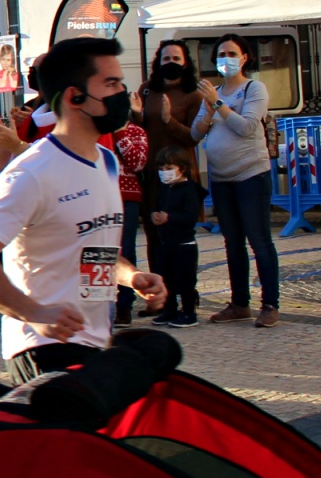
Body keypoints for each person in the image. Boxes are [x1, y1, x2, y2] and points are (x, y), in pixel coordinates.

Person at [0, 37, 168, 384]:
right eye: (110, 84)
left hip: (93, 342)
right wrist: (33, 313)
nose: (122, 94)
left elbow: (93, 253)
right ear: (73, 97)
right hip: (45, 348)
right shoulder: (32, 172)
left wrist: (132, 277)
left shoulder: (107, 162)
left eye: (121, 84)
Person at [193, 33, 279, 326]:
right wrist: (207, 111)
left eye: (232, 53)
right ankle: (239, 303)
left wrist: (218, 104)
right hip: (222, 178)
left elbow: (247, 127)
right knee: (232, 242)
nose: (225, 59)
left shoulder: (254, 89)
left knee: (259, 239)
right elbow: (195, 134)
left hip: (251, 175)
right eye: (220, 54)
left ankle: (270, 304)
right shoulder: (212, 93)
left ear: (244, 58)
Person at [139, 40, 201, 278]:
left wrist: (169, 120)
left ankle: (183, 292)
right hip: (151, 171)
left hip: (178, 175)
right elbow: (137, 130)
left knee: (177, 231)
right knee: (153, 232)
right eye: (166, 59)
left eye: (176, 59)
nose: (171, 63)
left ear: (185, 64)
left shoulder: (192, 95)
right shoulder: (147, 90)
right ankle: (160, 291)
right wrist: (135, 115)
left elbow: (194, 136)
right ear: (158, 62)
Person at [149, 148, 202, 327]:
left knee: (185, 279)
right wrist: (154, 216)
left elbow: (190, 216)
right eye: (162, 168)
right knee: (165, 277)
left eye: (169, 167)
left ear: (182, 168)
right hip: (166, 243)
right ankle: (169, 309)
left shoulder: (189, 190)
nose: (165, 172)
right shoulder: (164, 189)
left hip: (184, 244)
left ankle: (188, 312)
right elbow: (155, 206)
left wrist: (169, 217)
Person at [109, 99, 150, 327]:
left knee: (126, 250)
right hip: (102, 196)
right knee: (100, 250)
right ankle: (102, 303)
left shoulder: (136, 132)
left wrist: (120, 133)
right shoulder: (97, 131)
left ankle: (125, 305)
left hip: (127, 198)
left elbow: (137, 162)